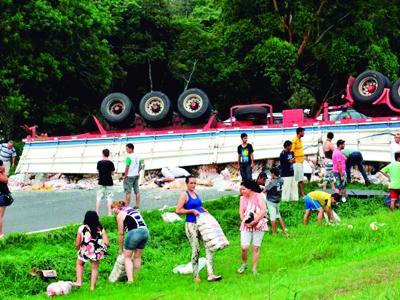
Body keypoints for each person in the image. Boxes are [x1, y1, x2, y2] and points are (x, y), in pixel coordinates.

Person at [176, 176, 221, 282]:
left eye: (195, 183)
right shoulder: (184, 195)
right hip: (191, 224)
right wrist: (191, 211)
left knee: (209, 246)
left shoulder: (196, 194)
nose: (193, 185)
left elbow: (197, 206)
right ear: (186, 184)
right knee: (196, 249)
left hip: (201, 223)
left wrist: (202, 209)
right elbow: (178, 210)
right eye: (191, 183)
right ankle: (196, 275)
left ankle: (211, 274)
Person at [111, 200, 149, 283]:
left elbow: (121, 233)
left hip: (134, 233)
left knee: (127, 257)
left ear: (116, 207)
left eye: (113, 209)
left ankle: (130, 281)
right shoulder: (131, 209)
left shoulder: (120, 214)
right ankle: (136, 278)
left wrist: (120, 249)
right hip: (145, 232)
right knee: (137, 257)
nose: (113, 212)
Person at [238, 180, 268, 275]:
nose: (242, 191)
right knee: (244, 247)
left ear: (250, 188)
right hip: (246, 224)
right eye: (241, 189)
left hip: (258, 224)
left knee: (256, 247)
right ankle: (244, 263)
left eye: (244, 189)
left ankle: (254, 269)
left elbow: (263, 210)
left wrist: (255, 221)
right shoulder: (242, 198)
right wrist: (245, 221)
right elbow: (241, 213)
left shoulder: (259, 196)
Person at [75, 211, 109, 290]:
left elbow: (77, 243)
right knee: (94, 268)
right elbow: (107, 243)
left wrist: (78, 249)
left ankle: (79, 281)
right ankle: (92, 287)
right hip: (96, 252)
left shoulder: (82, 228)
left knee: (79, 264)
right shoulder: (100, 228)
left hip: (85, 250)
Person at [264, 167, 287, 236]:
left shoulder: (272, 182)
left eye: (271, 173)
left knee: (272, 218)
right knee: (278, 216)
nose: (270, 174)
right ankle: (284, 231)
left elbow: (265, 190)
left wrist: (269, 182)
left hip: (271, 201)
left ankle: (274, 233)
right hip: (278, 200)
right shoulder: (281, 180)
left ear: (273, 174)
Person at [96, 149, 115, 216]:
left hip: (101, 181)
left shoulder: (99, 163)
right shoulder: (111, 163)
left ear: (103, 154)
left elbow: (98, 172)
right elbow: (113, 173)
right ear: (108, 154)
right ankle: (109, 214)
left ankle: (97, 214)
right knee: (109, 198)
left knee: (99, 198)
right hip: (109, 182)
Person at [123, 143, 141, 208]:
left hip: (129, 176)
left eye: (127, 149)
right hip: (136, 175)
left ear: (131, 148)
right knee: (137, 191)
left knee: (128, 192)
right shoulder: (138, 156)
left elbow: (127, 167)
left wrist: (125, 175)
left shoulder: (129, 157)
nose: (126, 150)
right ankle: (137, 206)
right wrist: (137, 171)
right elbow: (140, 166)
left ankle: (127, 206)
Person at [291, 127, 305, 197]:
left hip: (300, 162)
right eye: (303, 132)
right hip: (297, 162)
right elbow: (292, 151)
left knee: (300, 178)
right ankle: (301, 194)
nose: (304, 133)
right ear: (299, 132)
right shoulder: (295, 140)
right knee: (299, 179)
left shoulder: (299, 140)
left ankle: (301, 193)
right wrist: (293, 160)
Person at [0, 160, 12, 239]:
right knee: (0, 216)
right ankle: (0, 234)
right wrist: (3, 172)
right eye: (2, 165)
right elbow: (6, 180)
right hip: (1, 195)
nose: (4, 166)